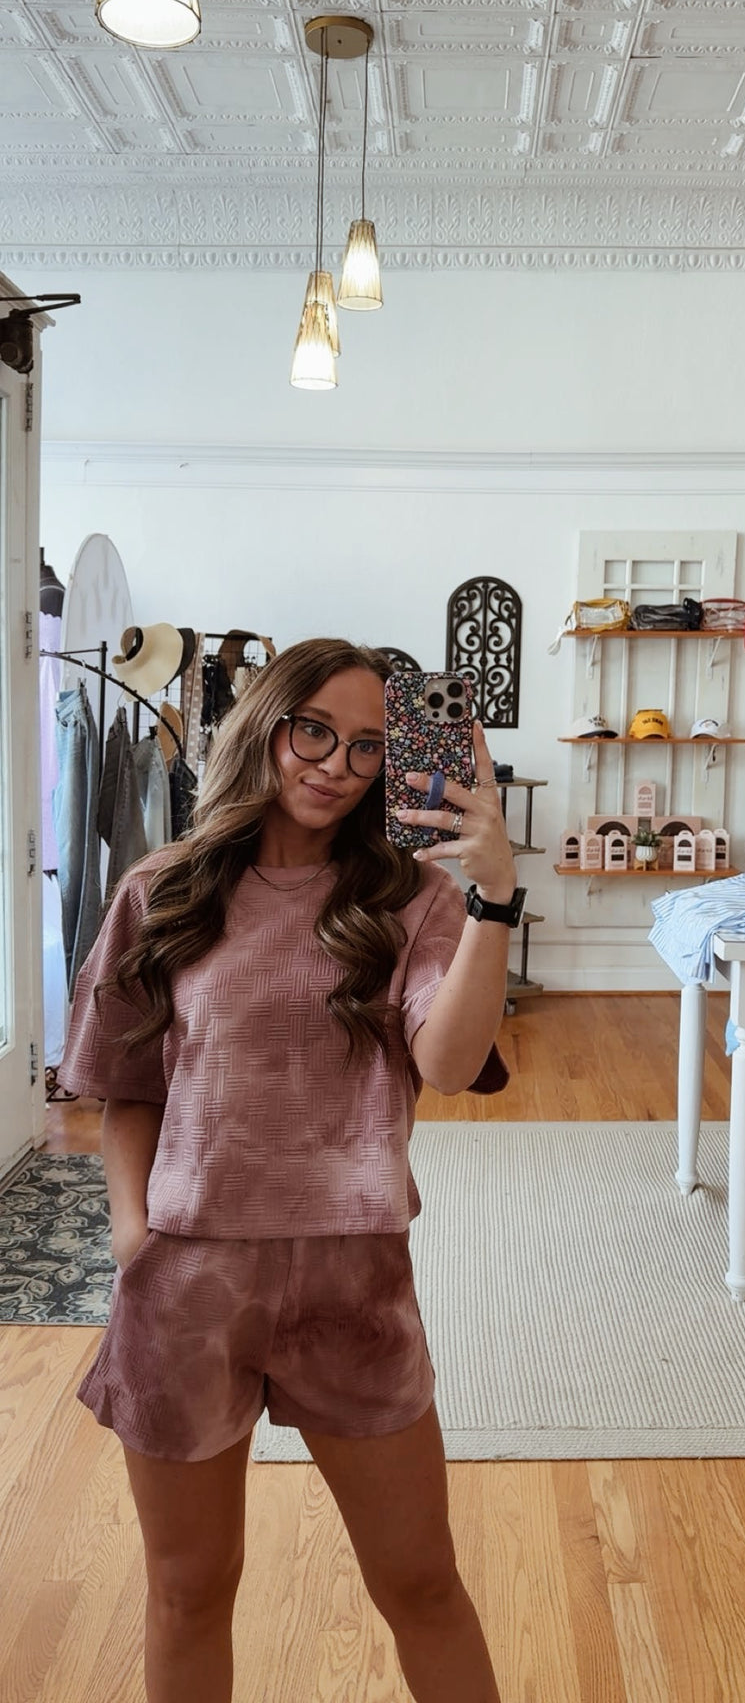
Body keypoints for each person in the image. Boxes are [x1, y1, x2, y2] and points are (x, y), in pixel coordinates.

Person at [58, 638, 520, 1703]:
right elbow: (125, 1084)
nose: (335, 766)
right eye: (314, 730)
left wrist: (493, 897)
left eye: (367, 746)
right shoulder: (162, 891)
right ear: (265, 724)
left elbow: (450, 1066)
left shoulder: (413, 900)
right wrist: (133, 1234)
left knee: (421, 1583)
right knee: (188, 1590)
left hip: (353, 1283)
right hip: (189, 1281)